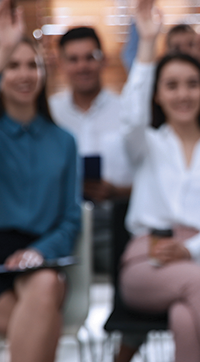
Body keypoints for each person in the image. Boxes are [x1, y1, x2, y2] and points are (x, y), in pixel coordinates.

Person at [118, 0, 200, 362]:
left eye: (191, 84)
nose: (183, 94)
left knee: (185, 317)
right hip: (147, 263)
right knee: (198, 285)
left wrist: (190, 249)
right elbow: (130, 116)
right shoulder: (146, 145)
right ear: (156, 95)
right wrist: (146, 42)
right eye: (171, 85)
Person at [0, 0, 81, 362]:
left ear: (43, 73)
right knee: (37, 328)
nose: (24, 74)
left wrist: (38, 252)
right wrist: (3, 48)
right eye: (13, 66)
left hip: (35, 254)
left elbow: (70, 218)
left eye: (32, 65)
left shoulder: (64, 141)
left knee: (44, 286)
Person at [49, 26, 134, 275]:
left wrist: (117, 191)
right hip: (62, 225)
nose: (82, 66)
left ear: (103, 59)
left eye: (90, 57)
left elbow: (152, 177)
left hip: (117, 224)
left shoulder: (126, 112)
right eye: (73, 59)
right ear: (61, 64)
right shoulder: (50, 114)